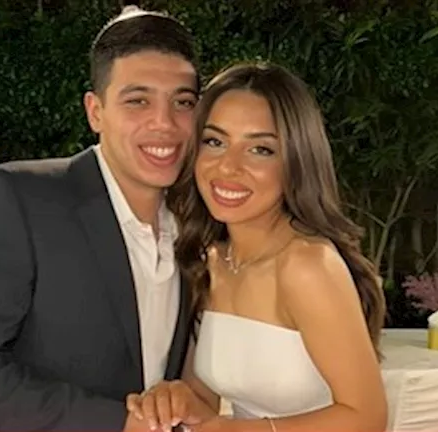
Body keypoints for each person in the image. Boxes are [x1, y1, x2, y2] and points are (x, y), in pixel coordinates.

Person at [0, 6, 199, 432]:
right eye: (138, 101)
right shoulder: (13, 197)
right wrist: (117, 422)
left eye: (182, 102)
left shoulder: (197, 223)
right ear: (95, 111)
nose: (164, 123)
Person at [126, 62, 388, 432]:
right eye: (215, 142)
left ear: (296, 161)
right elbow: (205, 402)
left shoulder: (307, 265)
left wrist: (238, 430)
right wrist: (175, 398)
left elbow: (367, 418)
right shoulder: (212, 260)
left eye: (260, 149)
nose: (228, 167)